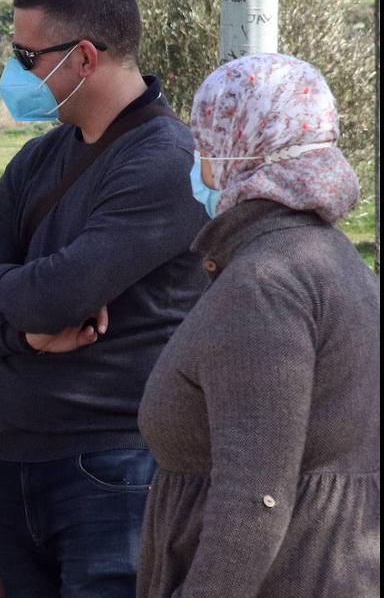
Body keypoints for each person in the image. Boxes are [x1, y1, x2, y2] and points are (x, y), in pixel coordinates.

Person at [0, 0, 209, 597]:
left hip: (116, 469)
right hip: (21, 457)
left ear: (83, 57)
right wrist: (25, 338)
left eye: (25, 55)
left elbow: (54, 295)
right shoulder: (40, 157)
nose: (14, 73)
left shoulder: (165, 162)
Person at [138, 53, 380, 597]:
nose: (195, 161)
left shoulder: (264, 283)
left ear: (237, 149)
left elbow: (254, 493)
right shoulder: (331, 257)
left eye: (203, 141)